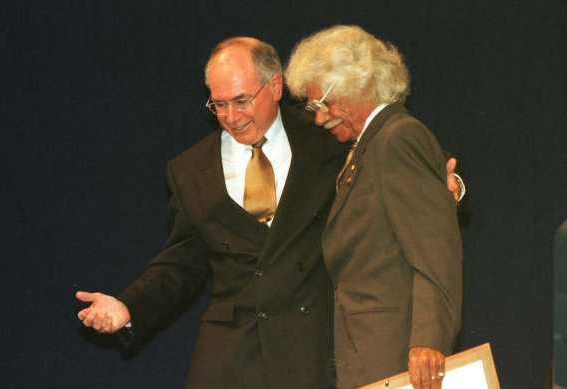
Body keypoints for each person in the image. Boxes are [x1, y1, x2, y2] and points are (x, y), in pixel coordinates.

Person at [77, 36, 463, 388]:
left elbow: (405, 158)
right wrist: (129, 306)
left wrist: (452, 185)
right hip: (230, 356)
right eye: (219, 104)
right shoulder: (188, 170)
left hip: (313, 349)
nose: (231, 116)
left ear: (275, 87)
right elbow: (180, 264)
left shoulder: (325, 130)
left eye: (242, 100)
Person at [285, 25, 463, 389]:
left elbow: (434, 253)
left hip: (396, 359)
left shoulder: (398, 138)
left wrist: (428, 340)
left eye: (323, 104)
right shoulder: (369, 144)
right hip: (367, 356)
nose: (319, 118)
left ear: (360, 85)